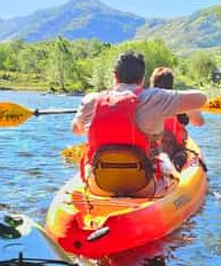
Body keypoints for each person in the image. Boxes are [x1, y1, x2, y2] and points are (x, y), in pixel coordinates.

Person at [71, 51, 207, 197]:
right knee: (168, 165)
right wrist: (178, 103)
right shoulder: (155, 98)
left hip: (99, 184)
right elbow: (202, 98)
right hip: (145, 186)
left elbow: (76, 130)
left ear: (114, 76)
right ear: (142, 79)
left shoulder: (91, 100)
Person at [149, 67, 204, 169]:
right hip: (175, 153)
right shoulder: (180, 104)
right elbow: (199, 123)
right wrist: (194, 110)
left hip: (152, 151)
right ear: (172, 84)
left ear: (152, 83)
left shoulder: (146, 104)